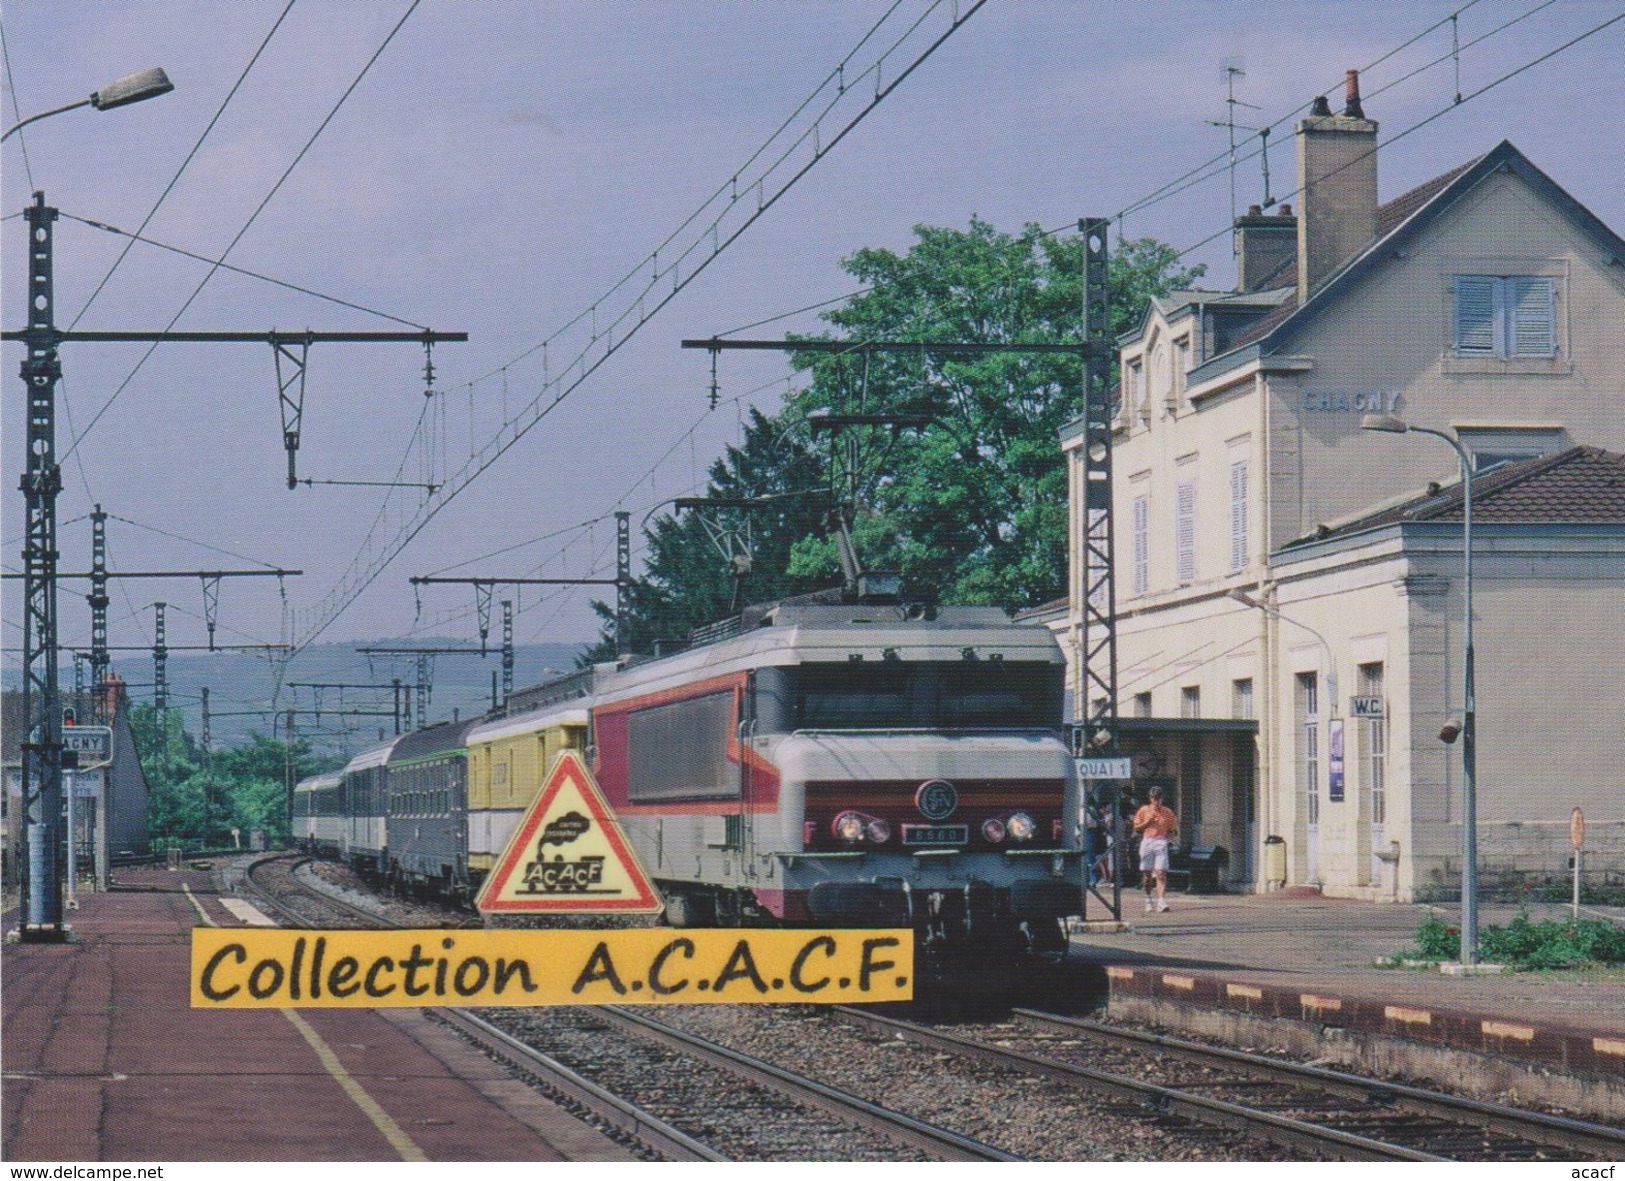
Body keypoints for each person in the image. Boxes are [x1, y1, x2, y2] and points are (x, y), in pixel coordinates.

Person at [1132, 785, 1179, 913]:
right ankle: (1148, 898)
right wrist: (1148, 821)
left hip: (1160, 842)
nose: (1156, 801)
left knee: (1161, 872)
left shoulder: (1167, 812)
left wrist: (1168, 838)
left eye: (1158, 798)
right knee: (1147, 875)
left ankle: (1161, 901)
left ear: (1162, 798)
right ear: (1150, 798)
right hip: (1147, 841)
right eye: (1154, 798)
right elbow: (1137, 828)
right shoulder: (1144, 810)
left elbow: (1173, 830)